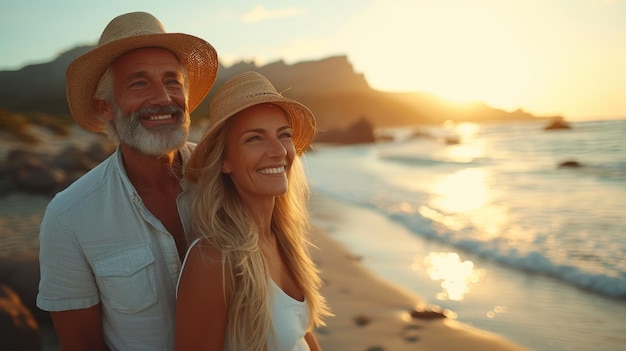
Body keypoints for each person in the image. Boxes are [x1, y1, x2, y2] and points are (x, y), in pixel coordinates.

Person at [36, 11, 218, 350]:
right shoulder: (69, 218)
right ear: (105, 106)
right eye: (139, 83)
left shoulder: (222, 174)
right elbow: (83, 344)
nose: (163, 98)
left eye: (172, 81)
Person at [176, 71, 331, 350]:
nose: (278, 151)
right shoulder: (214, 260)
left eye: (284, 135)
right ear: (225, 162)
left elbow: (301, 334)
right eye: (255, 139)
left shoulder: (282, 239)